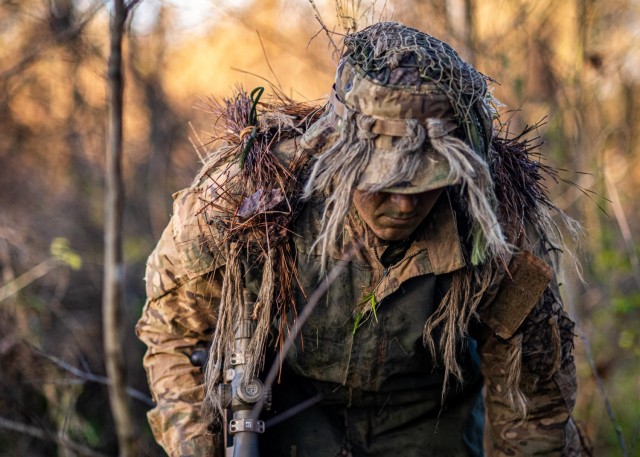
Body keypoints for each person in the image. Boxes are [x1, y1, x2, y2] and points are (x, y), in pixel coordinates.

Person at [137, 22, 588, 456]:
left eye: (425, 182)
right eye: (382, 181)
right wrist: (199, 446)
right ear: (338, 157)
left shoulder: (494, 229)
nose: (405, 205)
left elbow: (533, 405)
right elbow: (173, 335)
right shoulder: (246, 204)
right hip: (286, 422)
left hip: (429, 430)